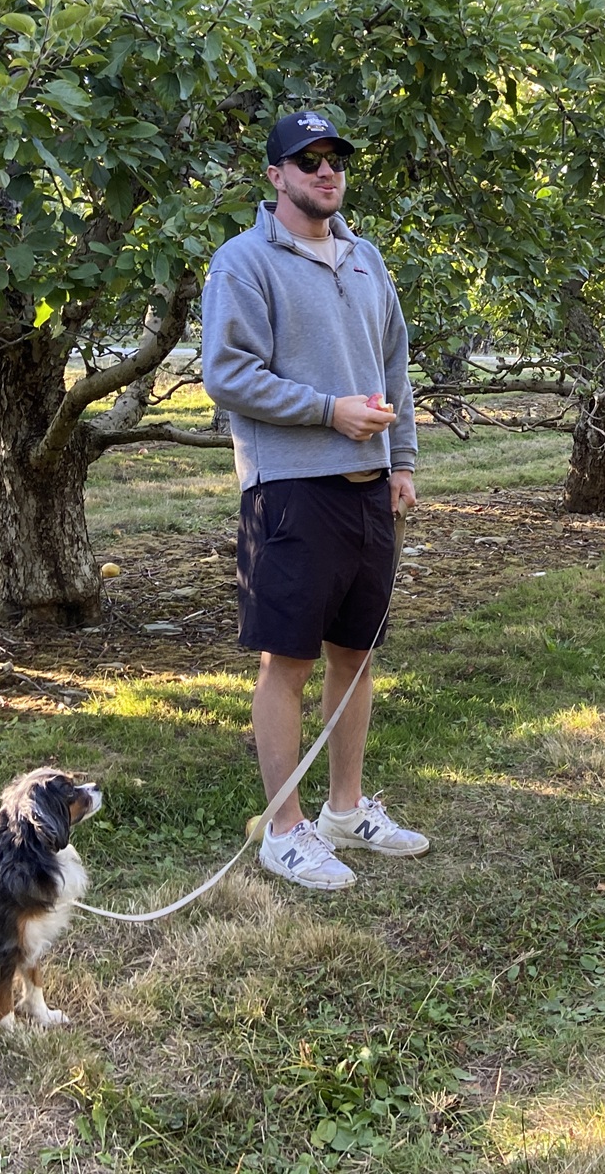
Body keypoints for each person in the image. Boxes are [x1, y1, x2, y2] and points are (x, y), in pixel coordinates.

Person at [200, 109, 428, 892]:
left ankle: (346, 809)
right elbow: (227, 375)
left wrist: (400, 460)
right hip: (292, 491)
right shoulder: (243, 264)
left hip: (370, 493)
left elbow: (393, 363)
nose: (326, 172)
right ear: (276, 177)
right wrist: (328, 411)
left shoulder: (366, 260)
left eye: (334, 160)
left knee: (355, 656)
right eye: (308, 161)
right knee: (287, 660)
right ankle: (285, 829)